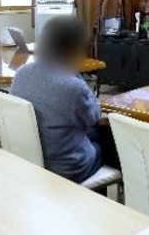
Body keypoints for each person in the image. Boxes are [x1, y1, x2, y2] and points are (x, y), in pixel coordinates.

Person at [10, 15, 102, 184]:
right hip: (65, 168)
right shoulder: (73, 87)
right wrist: (74, 72)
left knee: (90, 133)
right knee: (108, 140)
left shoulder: (22, 72)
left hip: (29, 157)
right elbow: (95, 117)